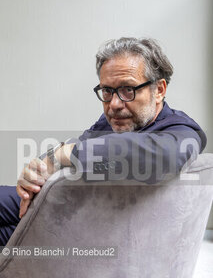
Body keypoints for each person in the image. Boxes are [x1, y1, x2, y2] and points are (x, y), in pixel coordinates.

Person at [0, 37, 207, 246]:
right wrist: (36, 172)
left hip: (84, 230)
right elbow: (79, 145)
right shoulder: (117, 120)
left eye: (128, 89)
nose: (114, 104)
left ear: (159, 90)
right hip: (57, 202)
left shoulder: (182, 131)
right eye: (107, 91)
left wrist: (64, 155)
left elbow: (158, 155)